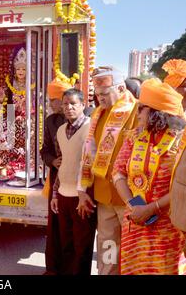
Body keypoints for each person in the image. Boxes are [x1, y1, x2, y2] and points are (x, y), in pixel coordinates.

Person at [113, 78, 186, 274]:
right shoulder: (133, 137)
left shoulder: (181, 143)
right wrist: (133, 205)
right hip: (136, 222)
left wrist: (152, 207)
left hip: (167, 228)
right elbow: (118, 172)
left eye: (141, 109)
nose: (136, 114)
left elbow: (182, 187)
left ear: (157, 113)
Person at [79, 67, 138, 275]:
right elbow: (88, 153)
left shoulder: (138, 112)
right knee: (108, 249)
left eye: (104, 94)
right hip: (104, 197)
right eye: (96, 94)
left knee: (133, 251)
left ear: (121, 88)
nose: (99, 99)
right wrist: (82, 189)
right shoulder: (97, 114)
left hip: (131, 199)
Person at [51, 88, 96, 275]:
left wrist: (84, 193)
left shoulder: (91, 128)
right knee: (66, 244)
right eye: (65, 104)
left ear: (83, 105)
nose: (68, 107)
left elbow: (91, 163)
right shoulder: (61, 130)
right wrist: (55, 194)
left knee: (82, 246)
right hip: (63, 195)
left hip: (82, 197)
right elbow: (62, 163)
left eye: (73, 104)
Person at [40, 78, 70, 275]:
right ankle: (52, 269)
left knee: (71, 227)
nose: (51, 104)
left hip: (76, 180)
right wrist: (52, 161)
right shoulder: (50, 121)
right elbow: (45, 150)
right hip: (57, 176)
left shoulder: (83, 119)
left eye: (53, 100)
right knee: (54, 225)